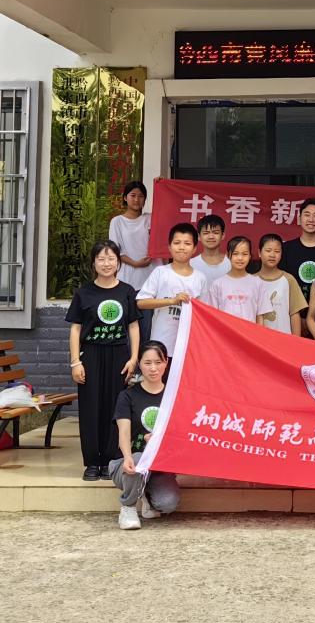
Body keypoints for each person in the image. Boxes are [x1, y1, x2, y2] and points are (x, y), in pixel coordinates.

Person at [66, 239, 140, 481]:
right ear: (93, 263)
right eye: (101, 259)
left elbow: (133, 326)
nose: (106, 263)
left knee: (115, 407)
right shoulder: (83, 293)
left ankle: (110, 460)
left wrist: (134, 358)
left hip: (119, 355)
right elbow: (76, 329)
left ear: (118, 263)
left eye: (111, 259)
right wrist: (75, 362)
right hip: (91, 355)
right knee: (90, 408)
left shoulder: (127, 291)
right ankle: (92, 462)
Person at [110, 340, 180, 530]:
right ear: (139, 364)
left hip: (158, 467)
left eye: (158, 362)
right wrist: (127, 456)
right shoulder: (127, 396)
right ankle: (128, 507)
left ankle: (147, 497)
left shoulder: (174, 396)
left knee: (168, 503)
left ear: (166, 363)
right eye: (147, 363)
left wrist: (159, 442)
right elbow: (124, 432)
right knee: (139, 459)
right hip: (128, 466)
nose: (153, 368)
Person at [135, 223, 209, 358]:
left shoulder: (200, 278)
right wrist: (172, 301)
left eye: (187, 243)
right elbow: (141, 302)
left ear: (194, 248)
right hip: (160, 344)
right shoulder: (160, 272)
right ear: (169, 247)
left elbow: (204, 314)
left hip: (188, 345)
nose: (181, 247)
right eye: (177, 243)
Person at [108, 180, 157, 344]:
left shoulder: (151, 219)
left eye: (141, 196)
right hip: (127, 281)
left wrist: (160, 185)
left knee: (147, 328)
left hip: (149, 283)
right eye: (133, 195)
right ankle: (130, 360)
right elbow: (115, 250)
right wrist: (135, 263)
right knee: (127, 327)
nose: (136, 199)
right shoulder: (117, 221)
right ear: (125, 198)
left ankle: (144, 360)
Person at [280, 197, 315, 319]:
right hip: (290, 317)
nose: (311, 219)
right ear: (299, 218)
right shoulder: (286, 249)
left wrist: (312, 319)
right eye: (307, 215)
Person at [208, 236, 273, 326]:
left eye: (244, 254)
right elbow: (213, 316)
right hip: (225, 333)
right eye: (235, 254)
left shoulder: (257, 283)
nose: (240, 258)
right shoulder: (217, 284)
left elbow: (260, 317)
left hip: (249, 333)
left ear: (250, 256)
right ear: (228, 255)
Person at [256, 233, 308, 336]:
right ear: (259, 252)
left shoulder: (288, 279)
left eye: (277, 251)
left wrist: (296, 341)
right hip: (258, 340)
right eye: (268, 250)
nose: (272, 255)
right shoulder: (251, 281)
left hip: (284, 339)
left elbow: (294, 314)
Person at [192, 213, 231, 285]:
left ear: (223, 235)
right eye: (206, 233)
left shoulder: (232, 263)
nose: (211, 237)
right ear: (199, 236)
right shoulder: (191, 264)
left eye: (215, 232)